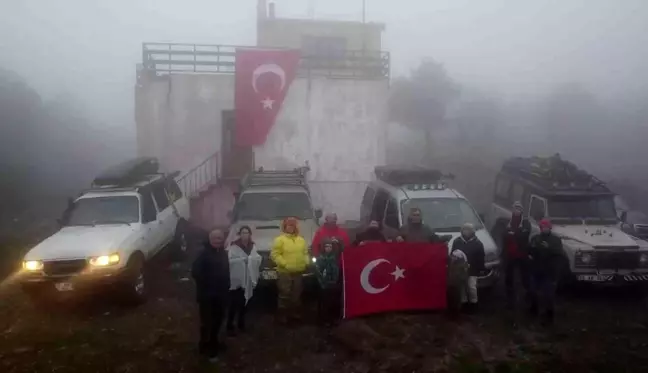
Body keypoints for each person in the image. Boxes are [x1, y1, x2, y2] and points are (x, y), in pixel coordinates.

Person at [191, 229, 230, 362]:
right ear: (210, 239)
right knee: (208, 323)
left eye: (220, 238)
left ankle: (209, 343)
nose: (218, 240)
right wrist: (210, 282)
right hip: (207, 296)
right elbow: (195, 272)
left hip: (221, 295)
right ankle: (210, 349)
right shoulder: (203, 254)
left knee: (218, 321)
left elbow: (226, 271)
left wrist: (226, 286)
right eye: (215, 238)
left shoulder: (223, 253)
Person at [270, 217, 309, 323]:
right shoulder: (280, 240)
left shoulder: (301, 240)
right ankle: (282, 315)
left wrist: (306, 261)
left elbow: (305, 252)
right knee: (284, 294)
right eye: (288, 225)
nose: (290, 227)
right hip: (285, 272)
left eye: (292, 225)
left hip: (298, 271)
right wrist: (285, 264)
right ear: (285, 227)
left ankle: (294, 314)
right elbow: (274, 254)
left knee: (296, 294)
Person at [227, 225, 262, 336]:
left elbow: (257, 258)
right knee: (234, 303)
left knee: (244, 303)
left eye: (247, 233)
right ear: (239, 234)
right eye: (243, 233)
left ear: (250, 234)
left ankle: (241, 323)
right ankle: (229, 324)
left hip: (248, 278)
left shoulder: (252, 246)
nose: (245, 235)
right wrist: (242, 260)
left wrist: (251, 259)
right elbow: (230, 260)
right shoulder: (234, 246)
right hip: (237, 279)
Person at [528, 219, 563, 326]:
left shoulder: (555, 240)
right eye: (543, 227)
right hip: (536, 270)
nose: (544, 229)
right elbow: (530, 250)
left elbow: (559, 253)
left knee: (549, 295)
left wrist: (549, 248)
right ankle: (533, 310)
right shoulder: (536, 238)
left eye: (546, 227)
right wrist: (530, 253)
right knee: (533, 291)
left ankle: (549, 315)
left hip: (549, 271)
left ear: (550, 228)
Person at [502, 201, 532, 309]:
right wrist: (512, 234)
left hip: (522, 253)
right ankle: (509, 296)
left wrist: (513, 234)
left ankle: (528, 294)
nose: (516, 211)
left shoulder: (525, 222)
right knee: (509, 276)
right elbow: (504, 234)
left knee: (525, 275)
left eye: (518, 209)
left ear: (521, 210)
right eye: (515, 208)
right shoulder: (508, 221)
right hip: (510, 253)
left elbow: (525, 234)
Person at [450, 223, 486, 313]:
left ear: (473, 231)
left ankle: (474, 303)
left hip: (472, 269)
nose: (467, 231)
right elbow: (453, 254)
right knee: (462, 287)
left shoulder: (478, 243)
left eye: (469, 229)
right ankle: (464, 303)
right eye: (465, 229)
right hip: (460, 270)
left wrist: (481, 269)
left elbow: (481, 257)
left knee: (471, 287)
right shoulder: (457, 241)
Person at [315, 238, 342, 326]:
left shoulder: (335, 258)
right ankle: (323, 320)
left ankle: (333, 319)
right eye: (326, 246)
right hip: (324, 285)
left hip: (333, 284)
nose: (328, 248)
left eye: (330, 246)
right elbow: (318, 272)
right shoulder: (320, 259)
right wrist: (322, 284)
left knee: (333, 302)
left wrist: (335, 281)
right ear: (323, 248)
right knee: (324, 303)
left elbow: (337, 270)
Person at [447, 249, 470, 320]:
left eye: (455, 257)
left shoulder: (462, 263)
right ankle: (452, 313)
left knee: (456, 299)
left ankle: (455, 314)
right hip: (451, 283)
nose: (453, 258)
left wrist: (463, 279)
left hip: (457, 283)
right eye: (453, 256)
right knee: (451, 298)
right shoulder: (451, 261)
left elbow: (465, 273)